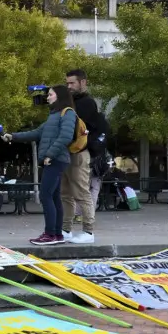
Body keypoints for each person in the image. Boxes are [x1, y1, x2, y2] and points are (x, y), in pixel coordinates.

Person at [3, 85, 78, 246]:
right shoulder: (54, 115)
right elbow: (37, 133)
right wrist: (13, 136)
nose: (48, 97)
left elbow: (66, 136)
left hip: (55, 159)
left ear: (60, 96)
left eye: (50, 94)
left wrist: (50, 154)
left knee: (45, 195)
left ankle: (50, 234)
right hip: (53, 159)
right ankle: (57, 234)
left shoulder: (68, 113)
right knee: (54, 197)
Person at [64, 69, 109, 244]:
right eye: (67, 83)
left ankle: (88, 231)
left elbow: (77, 128)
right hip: (68, 152)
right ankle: (66, 229)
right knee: (65, 193)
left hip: (80, 152)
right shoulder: (71, 101)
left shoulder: (87, 103)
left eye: (72, 83)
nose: (69, 87)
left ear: (83, 82)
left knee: (82, 192)